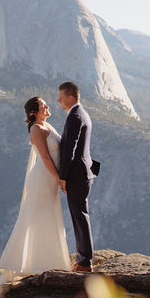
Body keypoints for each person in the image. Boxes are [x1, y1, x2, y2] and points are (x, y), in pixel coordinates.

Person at [0, 97, 70, 278]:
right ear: (33, 112)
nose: (47, 106)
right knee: (34, 218)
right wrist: (60, 178)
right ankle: (24, 263)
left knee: (48, 218)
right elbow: (45, 158)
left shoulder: (48, 125)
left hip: (50, 179)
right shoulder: (36, 129)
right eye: (42, 105)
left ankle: (49, 261)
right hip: (42, 179)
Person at [57, 81, 96, 273]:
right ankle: (83, 258)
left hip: (77, 175)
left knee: (79, 216)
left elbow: (69, 151)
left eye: (61, 97)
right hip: (83, 172)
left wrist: (62, 176)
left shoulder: (75, 116)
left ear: (70, 98)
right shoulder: (81, 114)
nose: (59, 101)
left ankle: (84, 262)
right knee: (80, 215)